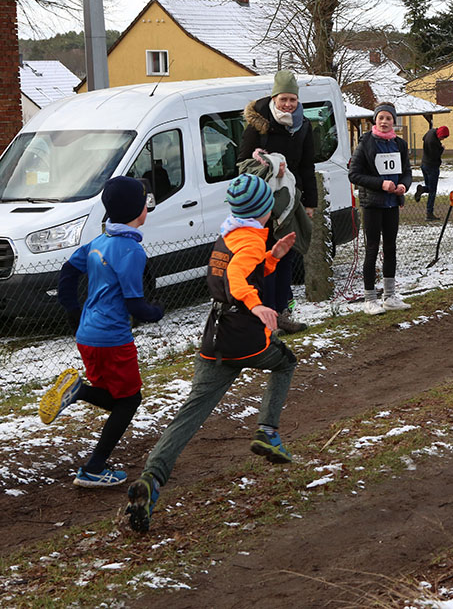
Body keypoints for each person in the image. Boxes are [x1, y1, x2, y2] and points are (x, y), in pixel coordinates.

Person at [125, 174, 298, 532]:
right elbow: (238, 278)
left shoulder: (230, 233)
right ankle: (267, 431)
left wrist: (273, 258)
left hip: (215, 338)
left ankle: (151, 482)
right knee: (285, 362)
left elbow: (244, 268)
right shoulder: (249, 240)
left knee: (191, 413)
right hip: (245, 336)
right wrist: (258, 307)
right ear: (264, 210)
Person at [42, 176, 163, 488]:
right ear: (139, 211)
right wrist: (155, 312)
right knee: (130, 400)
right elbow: (135, 304)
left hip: (87, 335)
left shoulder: (99, 242)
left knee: (117, 398)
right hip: (113, 339)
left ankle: (78, 391)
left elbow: (67, 273)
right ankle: (94, 467)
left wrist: (74, 313)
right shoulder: (132, 251)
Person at [238, 70, 315, 334]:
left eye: (292, 99)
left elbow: (307, 166)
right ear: (274, 97)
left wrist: (310, 203)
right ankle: (265, 315)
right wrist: (269, 168)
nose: (288, 105)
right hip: (262, 204)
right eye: (283, 99)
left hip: (291, 201)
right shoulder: (257, 125)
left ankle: (283, 312)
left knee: (285, 257)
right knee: (265, 258)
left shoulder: (303, 125)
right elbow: (241, 164)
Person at [348, 102, 413, 315]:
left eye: (388, 118)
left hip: (392, 203)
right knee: (372, 248)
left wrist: (403, 185)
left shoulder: (400, 144)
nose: (384, 122)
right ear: (374, 120)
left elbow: (406, 171)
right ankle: (369, 298)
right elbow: (354, 174)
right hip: (373, 204)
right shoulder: (366, 143)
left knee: (391, 248)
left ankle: (390, 296)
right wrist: (380, 184)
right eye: (381, 118)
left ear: (394, 121)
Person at [415, 125, 449, 221]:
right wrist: (441, 149)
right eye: (443, 137)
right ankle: (429, 213)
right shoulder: (433, 142)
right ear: (440, 135)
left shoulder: (431, 132)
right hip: (432, 166)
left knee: (429, 187)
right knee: (432, 191)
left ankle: (422, 189)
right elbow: (436, 155)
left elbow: (423, 138)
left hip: (424, 164)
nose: (442, 139)